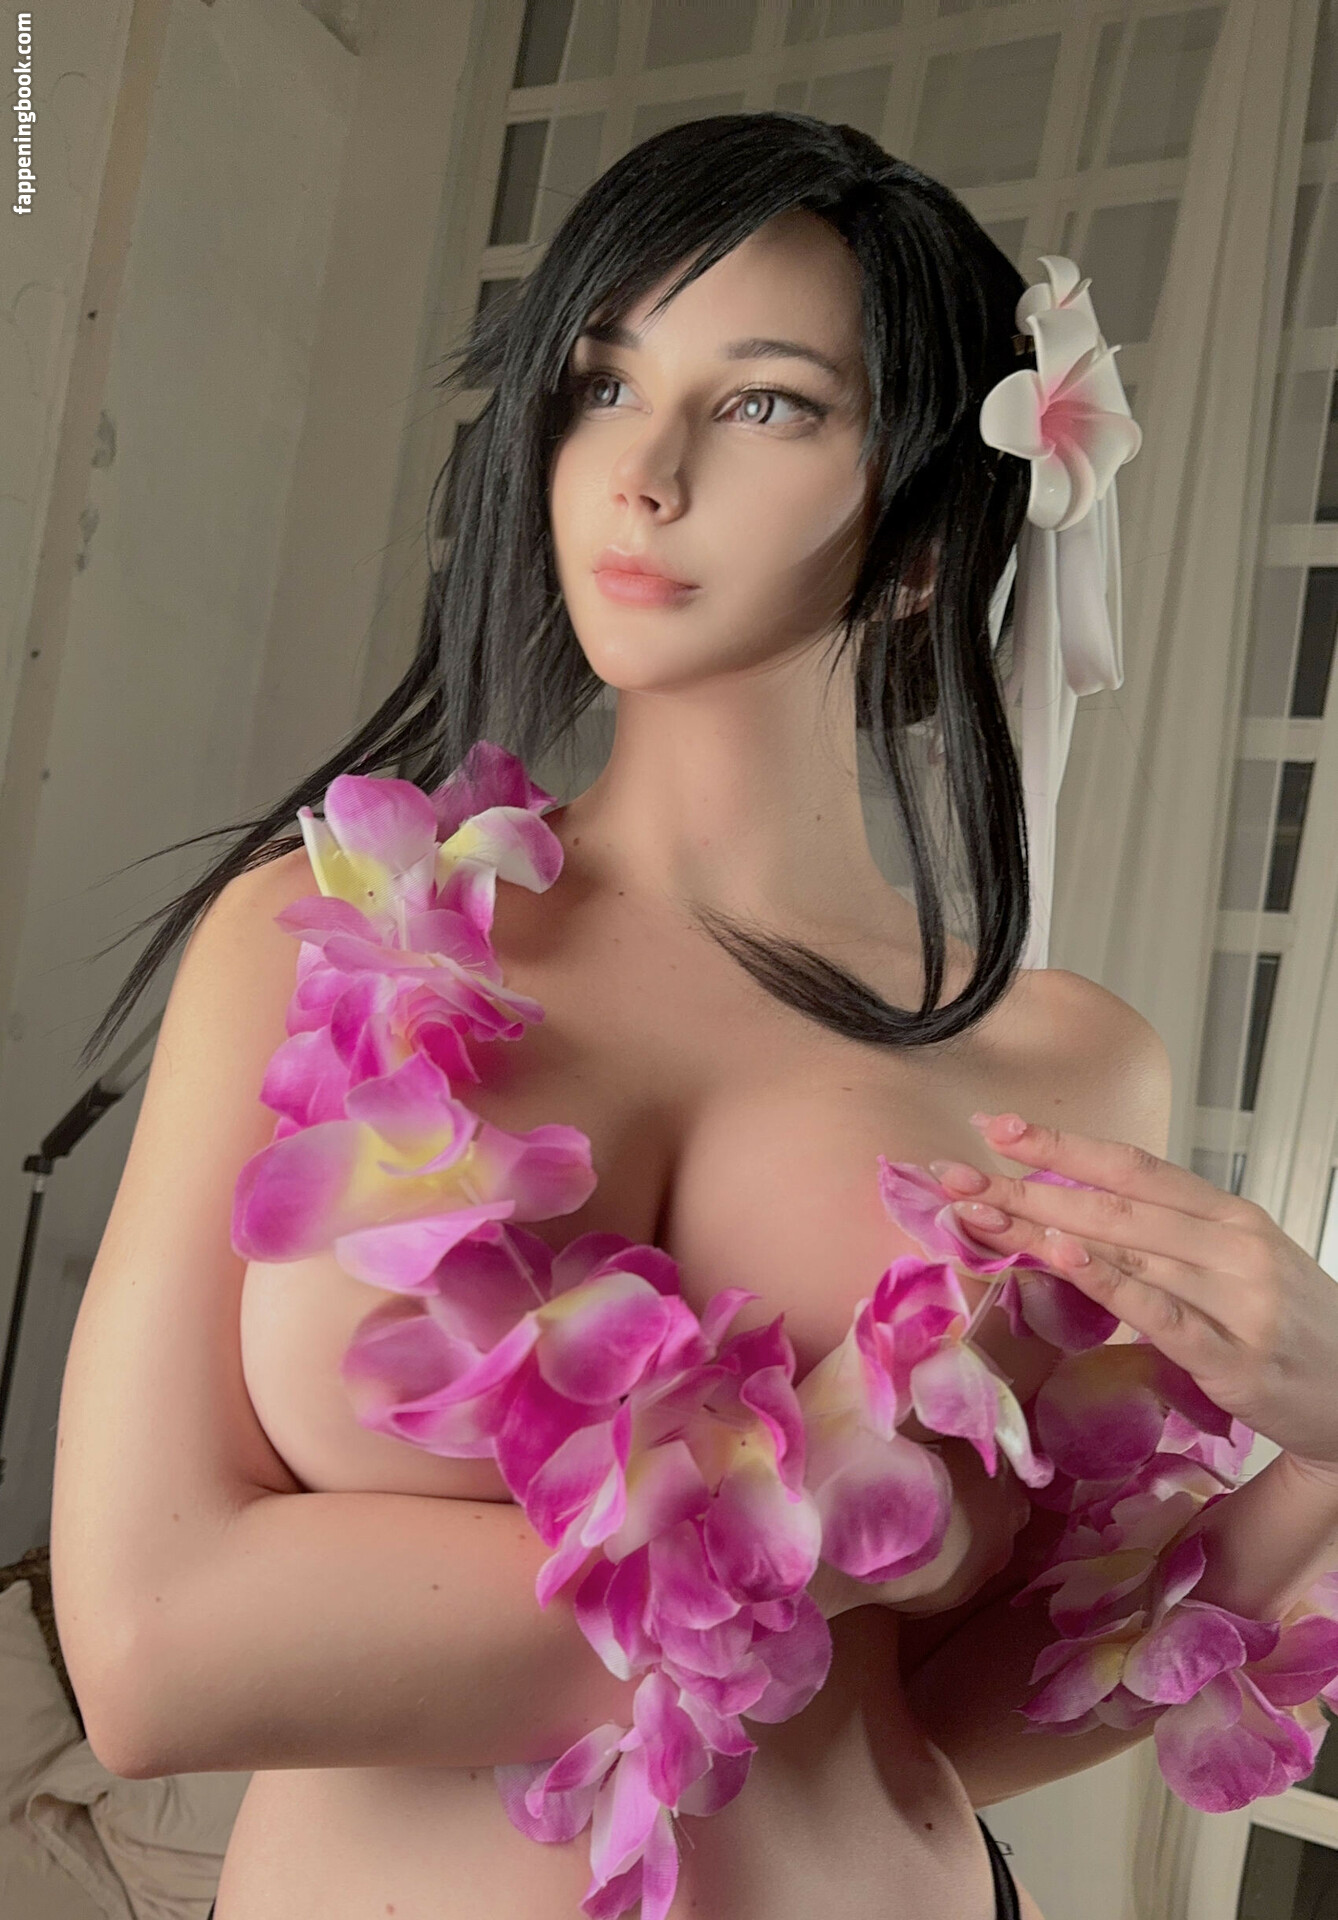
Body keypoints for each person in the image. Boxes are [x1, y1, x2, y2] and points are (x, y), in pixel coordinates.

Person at [49, 114, 1338, 1920]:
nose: (639, 474)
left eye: (763, 405)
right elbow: (153, 1655)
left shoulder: (1064, 1064)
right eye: (602, 383)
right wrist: (806, 1508)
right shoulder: (309, 937)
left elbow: (943, 1720)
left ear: (923, 534)